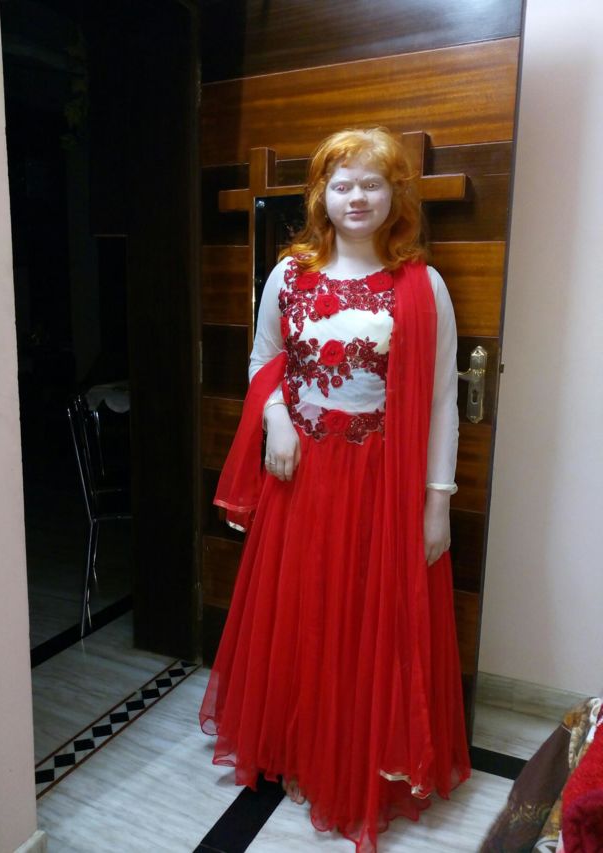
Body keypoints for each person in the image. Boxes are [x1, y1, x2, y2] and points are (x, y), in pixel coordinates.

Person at [199, 127, 471, 852]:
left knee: (364, 622)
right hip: (302, 476)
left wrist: (437, 501)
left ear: (394, 195)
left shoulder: (423, 286)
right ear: (322, 195)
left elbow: (443, 400)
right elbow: (264, 358)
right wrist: (277, 421)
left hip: (383, 481)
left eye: (371, 183)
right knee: (302, 614)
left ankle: (348, 761)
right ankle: (295, 749)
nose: (356, 197)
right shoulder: (289, 275)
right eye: (342, 183)